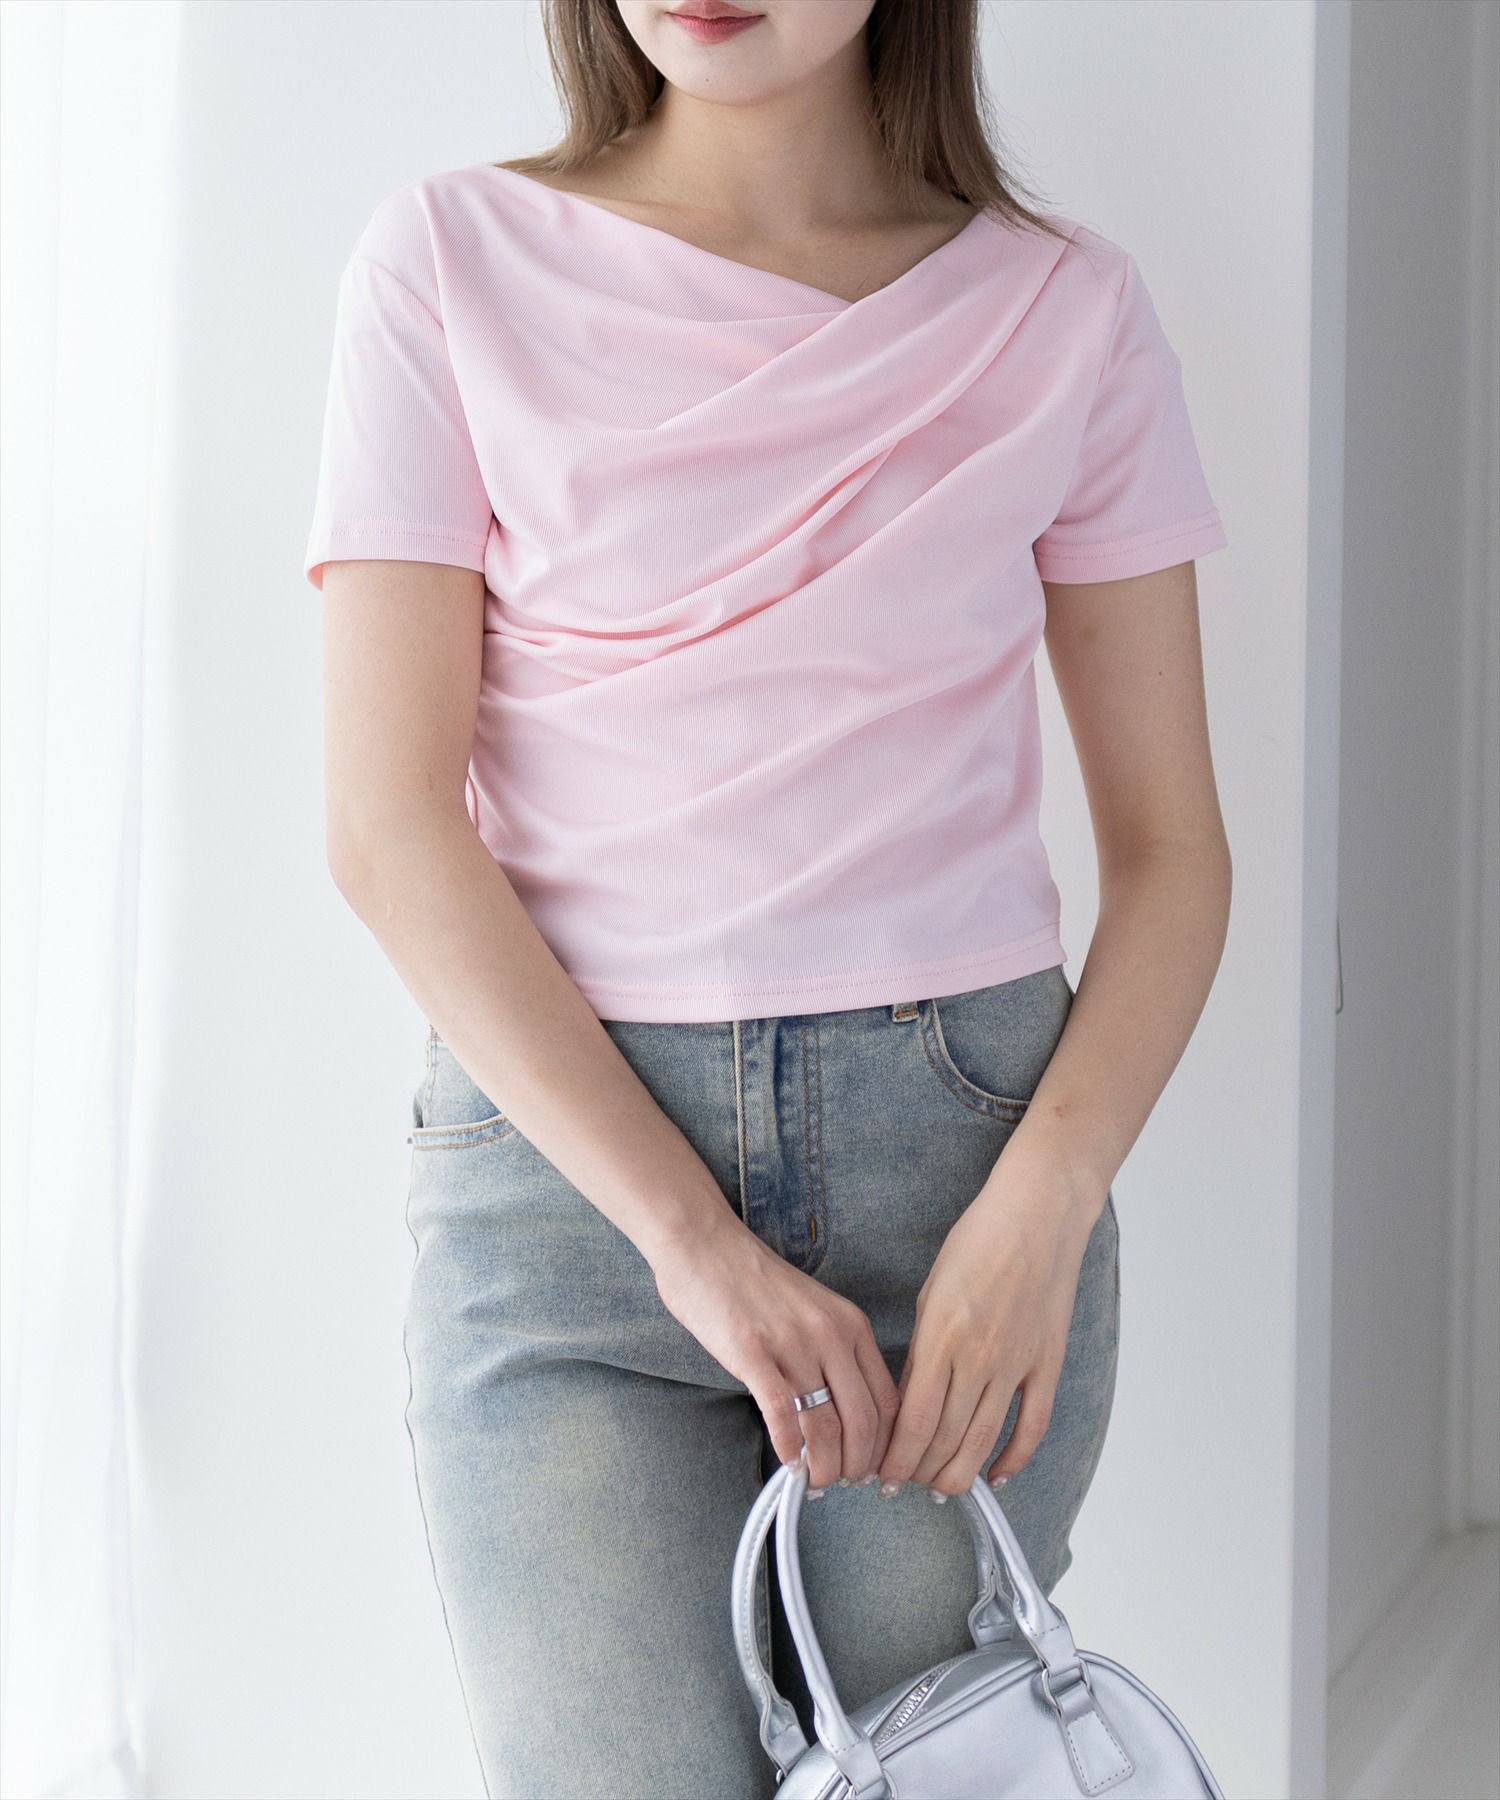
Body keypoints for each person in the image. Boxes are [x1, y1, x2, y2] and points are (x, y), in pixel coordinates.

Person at [302, 1, 1232, 1794]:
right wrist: (696, 1246)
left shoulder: (1068, 312)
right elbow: (386, 824)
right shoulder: (445, 264)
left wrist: (1041, 1213)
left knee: (933, 1762)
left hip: (958, 1208)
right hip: (569, 1210)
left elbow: (1176, 854)